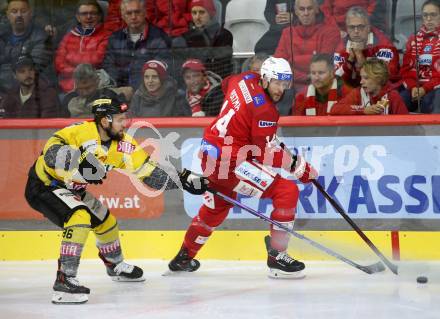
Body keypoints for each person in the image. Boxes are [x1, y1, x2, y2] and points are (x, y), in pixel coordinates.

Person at [24, 89, 208, 304]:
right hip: (44, 185)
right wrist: (78, 162)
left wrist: (182, 179)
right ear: (104, 121)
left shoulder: (124, 145)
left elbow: (150, 175)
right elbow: (51, 152)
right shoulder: (79, 132)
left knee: (106, 222)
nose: (125, 124)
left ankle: (115, 266)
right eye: (120, 120)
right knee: (79, 217)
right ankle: (64, 281)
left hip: (73, 189)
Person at [167, 57, 317, 279]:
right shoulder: (266, 111)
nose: (280, 89)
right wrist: (299, 168)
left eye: (285, 84)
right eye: (276, 82)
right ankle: (277, 255)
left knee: (215, 210)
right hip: (230, 163)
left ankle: (183, 258)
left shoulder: (244, 79)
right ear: (265, 78)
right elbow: (264, 153)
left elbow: (227, 84)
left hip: (210, 153)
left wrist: (243, 123)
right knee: (287, 191)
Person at [273, 0, 342, 92]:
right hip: (290, 87)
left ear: (317, 9)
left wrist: (293, 62)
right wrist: (305, 77)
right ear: (296, 12)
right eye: (302, 9)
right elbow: (278, 66)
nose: (306, 13)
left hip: (320, 85)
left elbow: (323, 65)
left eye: (309, 9)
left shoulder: (330, 32)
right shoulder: (287, 33)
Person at [103, 0, 171, 89]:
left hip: (148, 93)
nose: (133, 17)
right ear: (123, 16)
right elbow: (109, 66)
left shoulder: (159, 37)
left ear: (145, 12)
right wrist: (117, 88)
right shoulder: (115, 38)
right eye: (129, 13)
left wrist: (135, 90)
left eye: (137, 12)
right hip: (119, 91)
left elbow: (161, 71)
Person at [334, 6, 400, 88]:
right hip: (354, 91)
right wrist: (350, 61)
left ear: (368, 27)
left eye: (360, 26)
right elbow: (336, 78)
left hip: (382, 93)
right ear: (347, 28)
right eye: (351, 27)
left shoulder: (384, 45)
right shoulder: (341, 46)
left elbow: (386, 78)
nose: (356, 31)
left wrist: (360, 57)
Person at [55, 0, 111, 93]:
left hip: (95, 87)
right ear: (78, 17)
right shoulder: (69, 36)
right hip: (67, 87)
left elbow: (96, 60)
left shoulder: (106, 35)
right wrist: (77, 71)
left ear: (100, 16)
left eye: (93, 13)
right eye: (84, 13)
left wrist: (69, 58)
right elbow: (59, 62)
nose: (89, 17)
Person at [0, 0, 53, 93]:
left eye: (23, 11)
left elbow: (29, 73)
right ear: (7, 15)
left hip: (30, 93)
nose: (19, 15)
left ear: (30, 14)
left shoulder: (41, 38)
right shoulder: (2, 36)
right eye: (14, 11)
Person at [400, 0, 440, 113]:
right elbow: (406, 70)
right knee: (399, 100)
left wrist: (425, 88)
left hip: (436, 86)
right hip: (416, 87)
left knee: (429, 103)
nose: (428, 19)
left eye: (433, 15)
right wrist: (413, 87)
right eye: (425, 15)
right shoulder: (413, 39)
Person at [330, 58, 409, 115]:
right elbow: (334, 109)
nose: (361, 82)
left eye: (366, 78)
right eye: (361, 77)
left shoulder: (392, 96)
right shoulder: (358, 93)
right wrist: (363, 110)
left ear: (379, 78)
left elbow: (405, 124)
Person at [181, 0, 233, 78]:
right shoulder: (187, 36)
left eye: (201, 12)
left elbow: (220, 67)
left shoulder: (223, 35)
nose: (197, 17)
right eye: (194, 13)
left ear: (211, 14)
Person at [64, 63, 133, 117]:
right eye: (80, 89)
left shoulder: (110, 95)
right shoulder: (68, 99)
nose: (84, 93)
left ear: (97, 81)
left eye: (88, 88)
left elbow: (124, 110)